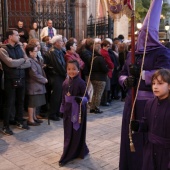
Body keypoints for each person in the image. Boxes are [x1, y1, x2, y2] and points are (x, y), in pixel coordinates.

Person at [119, 0, 170, 170]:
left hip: (149, 104)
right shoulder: (133, 52)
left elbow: (165, 72)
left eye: (147, 32)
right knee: (130, 137)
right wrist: (126, 80)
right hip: (131, 102)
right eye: (141, 32)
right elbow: (122, 74)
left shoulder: (161, 52)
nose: (143, 36)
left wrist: (142, 75)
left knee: (145, 140)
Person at [131, 68, 170, 170]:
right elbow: (147, 123)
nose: (155, 87)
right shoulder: (149, 103)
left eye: (160, 83)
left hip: (166, 154)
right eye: (153, 83)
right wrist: (139, 125)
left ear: (169, 86)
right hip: (151, 150)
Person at [0, 28, 31, 135]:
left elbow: (29, 62)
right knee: (9, 103)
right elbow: (10, 63)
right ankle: (6, 126)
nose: (19, 37)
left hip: (21, 78)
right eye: (17, 35)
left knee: (20, 101)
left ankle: (19, 121)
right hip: (10, 79)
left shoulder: (20, 47)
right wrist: (22, 61)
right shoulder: (3, 49)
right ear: (10, 37)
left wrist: (17, 64)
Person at [59, 60, 89, 166]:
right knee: (68, 132)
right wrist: (62, 109)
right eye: (69, 69)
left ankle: (75, 152)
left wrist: (80, 99)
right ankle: (68, 152)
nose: (71, 71)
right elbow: (63, 97)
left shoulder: (81, 83)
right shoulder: (65, 82)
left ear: (78, 69)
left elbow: (87, 98)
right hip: (68, 110)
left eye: (74, 69)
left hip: (78, 110)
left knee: (77, 132)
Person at [45, 35, 66, 121]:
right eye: (61, 41)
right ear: (56, 43)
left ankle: (58, 112)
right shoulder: (53, 52)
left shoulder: (59, 51)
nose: (62, 43)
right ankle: (52, 114)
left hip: (60, 75)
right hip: (55, 76)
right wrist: (65, 74)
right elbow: (58, 66)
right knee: (56, 96)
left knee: (60, 96)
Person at [25, 44, 48, 126]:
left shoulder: (34, 59)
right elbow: (34, 74)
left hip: (36, 85)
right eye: (35, 51)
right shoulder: (30, 61)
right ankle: (30, 119)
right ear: (30, 52)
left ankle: (34, 117)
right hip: (33, 85)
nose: (37, 52)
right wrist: (43, 79)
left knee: (35, 103)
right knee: (32, 103)